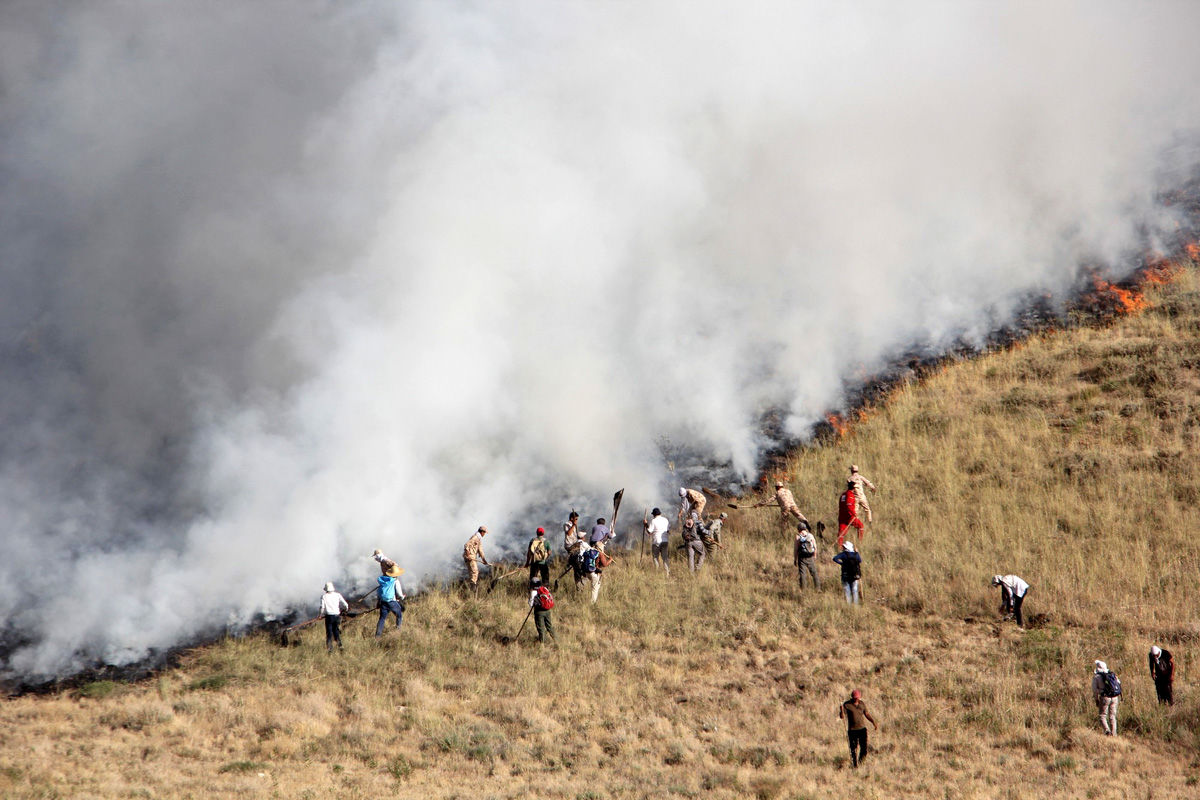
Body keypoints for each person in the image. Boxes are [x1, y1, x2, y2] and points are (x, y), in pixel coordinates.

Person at [838, 689, 878, 768]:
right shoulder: (847, 705)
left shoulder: (862, 704)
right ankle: (854, 765)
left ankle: (861, 762)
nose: (856, 699)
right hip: (852, 730)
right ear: (852, 697)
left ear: (859, 697)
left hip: (862, 729)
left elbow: (866, 714)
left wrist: (873, 721)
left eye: (857, 697)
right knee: (853, 748)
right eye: (854, 697)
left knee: (864, 749)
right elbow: (842, 717)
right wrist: (841, 710)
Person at [1092, 660, 1121, 736]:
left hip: (1105, 697)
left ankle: (1107, 731)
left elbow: (1095, 690)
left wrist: (1096, 699)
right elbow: (1119, 683)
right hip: (1115, 697)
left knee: (1102, 715)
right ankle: (1114, 734)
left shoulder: (1097, 677)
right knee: (1112, 716)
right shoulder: (1112, 675)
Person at [375, 569, 406, 637]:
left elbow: (379, 592)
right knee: (399, 616)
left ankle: (377, 636)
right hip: (392, 602)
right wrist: (402, 597)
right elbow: (399, 594)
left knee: (382, 619)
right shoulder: (395, 581)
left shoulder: (383, 580)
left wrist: (378, 602)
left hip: (383, 602)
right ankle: (398, 632)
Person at [319, 581, 349, 653]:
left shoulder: (323, 596)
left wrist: (320, 615)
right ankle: (340, 645)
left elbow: (322, 607)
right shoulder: (338, 595)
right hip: (337, 616)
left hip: (329, 617)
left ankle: (330, 649)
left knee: (329, 633)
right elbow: (345, 604)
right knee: (336, 631)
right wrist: (346, 609)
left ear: (326, 589)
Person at [462, 526, 490, 593]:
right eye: (484, 533)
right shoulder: (475, 537)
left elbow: (480, 550)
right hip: (470, 557)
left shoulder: (479, 539)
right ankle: (473, 590)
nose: (484, 534)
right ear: (482, 532)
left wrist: (484, 560)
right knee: (475, 572)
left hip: (473, 557)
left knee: (473, 573)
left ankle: (473, 588)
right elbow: (466, 545)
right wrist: (468, 555)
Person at [836, 480, 865, 546]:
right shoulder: (850, 495)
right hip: (849, 517)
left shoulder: (843, 495)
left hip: (842, 516)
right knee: (860, 526)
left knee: (841, 533)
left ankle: (839, 547)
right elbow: (849, 506)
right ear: (854, 488)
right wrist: (854, 514)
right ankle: (860, 543)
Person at [529, 577, 556, 644]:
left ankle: (542, 644)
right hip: (547, 610)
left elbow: (531, 604)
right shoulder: (544, 588)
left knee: (541, 628)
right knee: (549, 626)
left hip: (539, 612)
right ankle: (556, 640)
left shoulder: (534, 592)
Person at [644, 507, 670, 574]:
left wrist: (646, 525)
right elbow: (668, 531)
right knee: (665, 558)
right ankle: (667, 573)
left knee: (655, 557)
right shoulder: (665, 520)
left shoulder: (653, 521)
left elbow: (649, 532)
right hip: (665, 541)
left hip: (656, 542)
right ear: (660, 513)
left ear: (654, 514)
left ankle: (657, 572)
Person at [793, 522, 819, 590]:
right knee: (814, 573)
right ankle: (818, 588)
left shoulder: (798, 536)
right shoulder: (810, 535)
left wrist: (795, 559)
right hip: (810, 557)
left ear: (798, 529)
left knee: (802, 574)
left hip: (802, 558)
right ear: (805, 528)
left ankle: (803, 589)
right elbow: (815, 547)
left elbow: (796, 549)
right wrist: (815, 556)